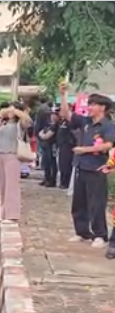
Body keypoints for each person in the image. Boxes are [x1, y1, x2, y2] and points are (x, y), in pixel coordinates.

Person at [60, 82, 115, 248]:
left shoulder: (108, 126)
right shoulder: (86, 122)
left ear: (103, 108)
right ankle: (82, 232)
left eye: (93, 104)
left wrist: (85, 149)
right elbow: (66, 115)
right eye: (89, 104)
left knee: (96, 202)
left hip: (97, 167)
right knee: (79, 201)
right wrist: (63, 94)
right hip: (81, 166)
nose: (89, 107)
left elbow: (108, 145)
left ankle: (100, 235)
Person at [0, 102, 32, 224]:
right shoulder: (2, 123)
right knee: (2, 185)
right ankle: (4, 213)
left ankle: (12, 214)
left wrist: (15, 110)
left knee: (11, 185)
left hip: (12, 154)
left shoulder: (20, 124)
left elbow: (27, 119)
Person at [38, 112, 60, 188]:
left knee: (52, 164)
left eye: (54, 115)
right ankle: (46, 178)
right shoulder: (49, 125)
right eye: (52, 115)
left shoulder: (56, 126)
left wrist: (43, 135)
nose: (52, 117)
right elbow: (40, 132)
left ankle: (51, 180)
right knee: (45, 163)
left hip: (51, 146)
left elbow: (46, 136)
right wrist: (42, 135)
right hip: (45, 146)